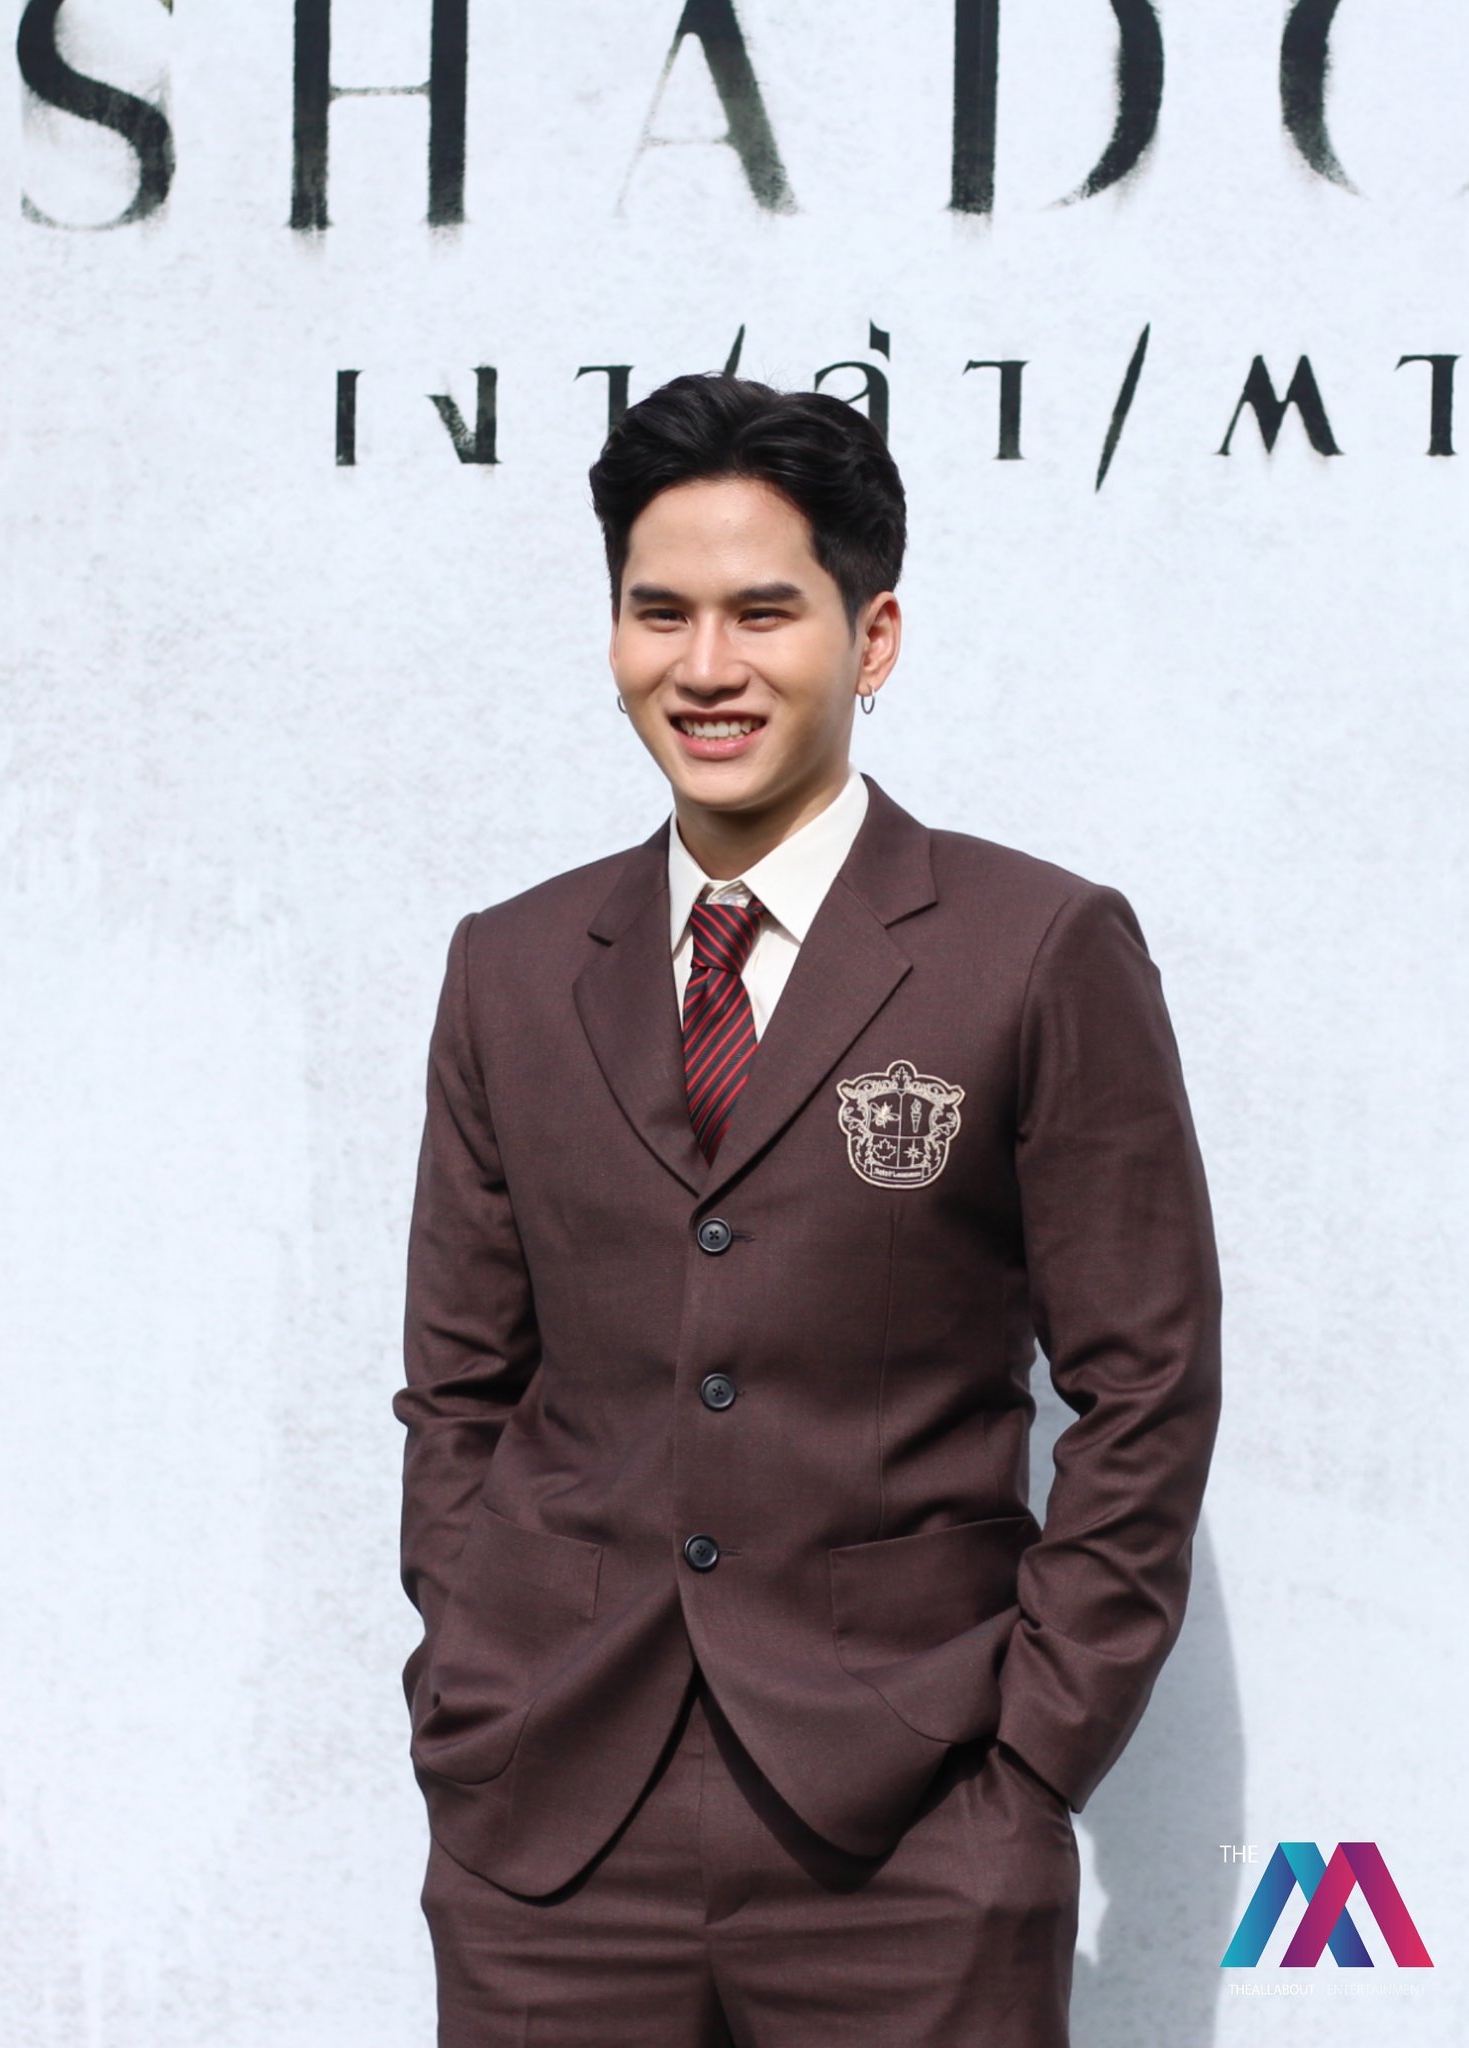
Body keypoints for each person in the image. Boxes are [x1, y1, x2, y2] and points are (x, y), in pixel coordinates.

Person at [392, 372, 1222, 2047]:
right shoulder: (511, 966)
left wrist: (1031, 1757)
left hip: (912, 1823)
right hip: (554, 1830)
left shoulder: (1037, 946)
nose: (706, 666)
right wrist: (471, 1686)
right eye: (661, 613)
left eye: (764, 612)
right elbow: (460, 1386)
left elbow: (1147, 1386)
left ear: (873, 637)